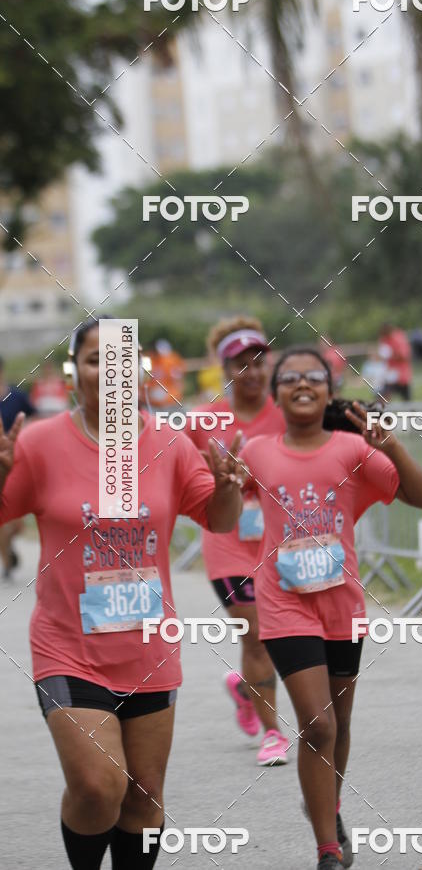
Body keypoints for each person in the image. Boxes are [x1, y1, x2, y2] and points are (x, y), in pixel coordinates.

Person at [0, 316, 245, 869]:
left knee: (143, 795)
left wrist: (229, 487)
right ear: (73, 374)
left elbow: (218, 519)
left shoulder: (170, 443)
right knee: (97, 786)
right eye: (94, 360)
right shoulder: (39, 443)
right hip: (68, 649)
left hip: (148, 648)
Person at [241, 347, 422, 869]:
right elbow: (222, 506)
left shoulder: (353, 449)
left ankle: (329, 805)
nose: (301, 385)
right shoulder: (255, 450)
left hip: (341, 606)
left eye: (313, 378)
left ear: (328, 390)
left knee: (340, 724)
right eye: (289, 378)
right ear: (275, 392)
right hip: (283, 606)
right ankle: (328, 849)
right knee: (319, 725)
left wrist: (390, 446)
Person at [186, 316, 289, 766]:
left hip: (283, 542)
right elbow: (184, 483)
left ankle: (246, 689)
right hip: (228, 542)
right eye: (240, 363)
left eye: (259, 361)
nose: (252, 371)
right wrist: (222, 479)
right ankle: (273, 735)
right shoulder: (202, 422)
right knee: (258, 638)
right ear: (224, 369)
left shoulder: (287, 412)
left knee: (281, 639)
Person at [0, 357, 36, 578]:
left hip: (16, 463)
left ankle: (7, 549)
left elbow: (35, 418)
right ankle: (7, 559)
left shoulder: (17, 397)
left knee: (15, 522)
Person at [144, 338, 186, 411]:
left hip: (169, 397)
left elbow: (178, 379)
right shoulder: (147, 360)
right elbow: (145, 382)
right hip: (151, 398)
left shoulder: (169, 360)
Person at [377, 322, 412, 400]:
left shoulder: (398, 337)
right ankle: (381, 410)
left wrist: (392, 355)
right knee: (382, 396)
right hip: (390, 374)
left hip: (402, 375)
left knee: (407, 402)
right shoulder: (384, 339)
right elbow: (382, 355)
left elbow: (404, 356)